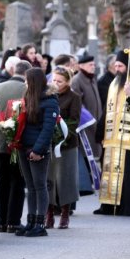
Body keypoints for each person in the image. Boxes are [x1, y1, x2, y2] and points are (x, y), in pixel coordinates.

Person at [94, 49, 130, 216]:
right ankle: (109, 205)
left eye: (120, 66)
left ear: (128, 67)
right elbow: (108, 109)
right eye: (116, 65)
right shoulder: (114, 83)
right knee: (110, 171)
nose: (117, 68)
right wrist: (100, 130)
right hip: (112, 137)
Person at [0, 60, 32, 233]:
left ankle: (1, 222)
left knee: (2, 181)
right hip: (18, 140)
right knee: (17, 181)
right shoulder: (28, 90)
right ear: (27, 74)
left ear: (13, 70)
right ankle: (13, 221)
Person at [15, 68, 59, 237]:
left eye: (27, 80)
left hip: (37, 150)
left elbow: (48, 129)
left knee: (40, 186)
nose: (24, 83)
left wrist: (38, 150)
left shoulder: (50, 100)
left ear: (34, 82)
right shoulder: (29, 98)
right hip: (24, 147)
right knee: (31, 186)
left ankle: (40, 223)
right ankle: (31, 221)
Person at [47, 66, 81, 229]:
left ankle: (65, 213)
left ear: (67, 82)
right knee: (49, 178)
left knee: (66, 179)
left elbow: (74, 120)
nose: (55, 83)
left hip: (67, 144)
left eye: (59, 81)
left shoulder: (74, 97)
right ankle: (49, 214)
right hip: (49, 143)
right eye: (53, 80)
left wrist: (60, 133)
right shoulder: (47, 95)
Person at [71, 54, 102, 195]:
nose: (93, 67)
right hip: (86, 125)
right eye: (90, 65)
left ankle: (91, 180)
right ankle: (86, 183)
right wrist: (88, 121)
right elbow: (78, 105)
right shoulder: (77, 80)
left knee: (94, 152)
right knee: (86, 152)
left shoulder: (92, 79)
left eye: (94, 64)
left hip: (96, 122)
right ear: (81, 66)